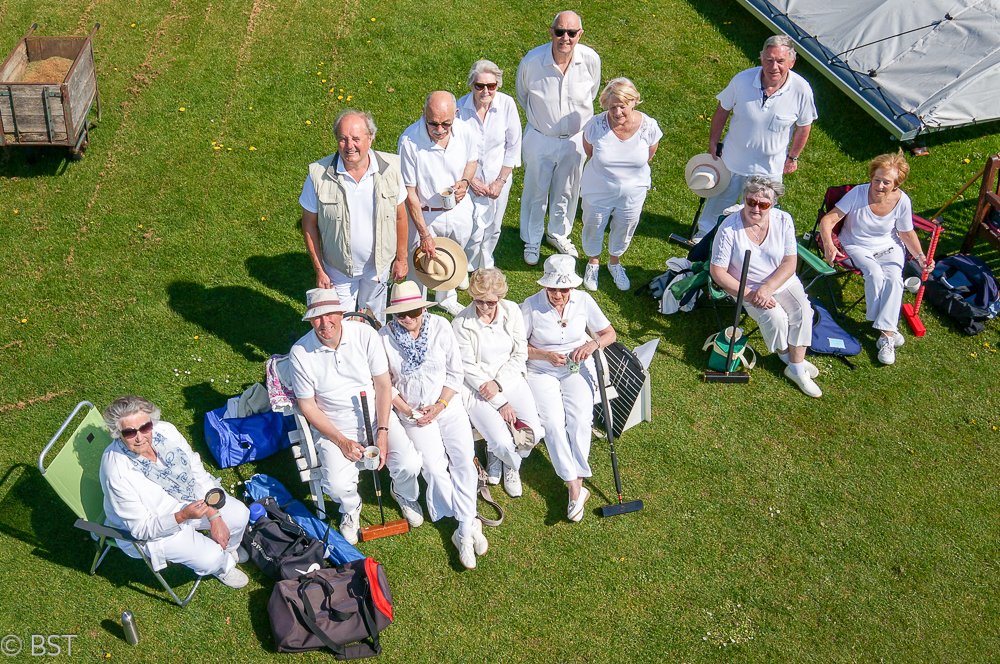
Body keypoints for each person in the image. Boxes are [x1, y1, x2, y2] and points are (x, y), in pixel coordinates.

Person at [288, 288, 424, 545]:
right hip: (335, 427)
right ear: (309, 320)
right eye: (317, 317)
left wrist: (382, 432)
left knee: (409, 463)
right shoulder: (300, 352)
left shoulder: (365, 334)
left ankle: (403, 493)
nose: (324, 323)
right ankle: (351, 508)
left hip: (375, 416)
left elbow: (383, 385)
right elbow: (308, 406)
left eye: (330, 315)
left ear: (341, 313)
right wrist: (341, 441)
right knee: (337, 485)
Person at [379, 281, 487, 569]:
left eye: (414, 312)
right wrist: (410, 411)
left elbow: (455, 372)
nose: (409, 319)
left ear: (423, 309)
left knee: (463, 460)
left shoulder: (441, 327)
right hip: (413, 414)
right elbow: (385, 383)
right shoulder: (383, 338)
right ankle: (469, 521)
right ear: (394, 315)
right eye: (401, 314)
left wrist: (439, 405)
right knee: (435, 469)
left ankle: (463, 531)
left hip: (447, 408)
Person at [100, 396, 251, 588]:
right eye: (129, 432)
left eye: (145, 428)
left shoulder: (165, 431)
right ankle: (223, 566)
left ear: (151, 422)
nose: (140, 437)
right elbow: (141, 529)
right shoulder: (116, 472)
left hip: (191, 501)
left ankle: (228, 547)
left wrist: (214, 515)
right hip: (159, 527)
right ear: (117, 433)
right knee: (210, 558)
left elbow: (195, 470)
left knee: (239, 514)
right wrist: (182, 516)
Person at [522, 255, 616, 521]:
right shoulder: (530, 306)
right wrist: (545, 355)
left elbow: (610, 334)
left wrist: (591, 345)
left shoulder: (584, 301)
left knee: (580, 421)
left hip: (576, 368)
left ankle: (576, 484)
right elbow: (518, 348)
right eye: (553, 288)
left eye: (564, 289)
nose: (558, 294)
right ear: (545, 286)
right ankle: (575, 486)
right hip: (541, 370)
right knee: (552, 423)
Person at [709, 177, 822, 397]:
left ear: (774, 204)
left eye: (764, 204)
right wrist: (751, 294)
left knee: (802, 311)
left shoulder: (783, 220)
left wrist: (768, 288)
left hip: (781, 281)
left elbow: (790, 262)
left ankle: (796, 366)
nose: (756, 208)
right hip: (745, 287)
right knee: (776, 317)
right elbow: (718, 272)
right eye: (751, 202)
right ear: (744, 199)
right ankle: (789, 359)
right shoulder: (729, 228)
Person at [696, 35, 817, 239]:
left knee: (757, 213)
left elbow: (804, 126)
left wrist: (793, 157)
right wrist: (712, 142)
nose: (774, 66)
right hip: (732, 161)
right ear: (761, 58)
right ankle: (702, 238)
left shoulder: (801, 90)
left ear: (791, 62)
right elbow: (722, 110)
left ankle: (746, 242)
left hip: (769, 169)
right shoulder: (742, 80)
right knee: (716, 205)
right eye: (769, 60)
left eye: (780, 61)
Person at [818, 151, 933, 364]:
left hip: (890, 246)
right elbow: (828, 220)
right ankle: (887, 332)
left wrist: (920, 257)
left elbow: (907, 233)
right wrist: (828, 244)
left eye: (886, 182)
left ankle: (885, 333)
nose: (879, 186)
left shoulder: (902, 201)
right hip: (856, 244)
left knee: (894, 280)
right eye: (876, 179)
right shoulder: (858, 193)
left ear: (896, 184)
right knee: (874, 273)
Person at [300, 110, 409, 323]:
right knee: (338, 323)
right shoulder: (318, 175)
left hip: (378, 267)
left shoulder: (391, 169)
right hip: (337, 270)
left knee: (374, 321)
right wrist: (320, 270)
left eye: (356, 139)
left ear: (371, 138)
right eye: (343, 139)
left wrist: (402, 259)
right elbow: (309, 225)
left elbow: (400, 217)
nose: (349, 145)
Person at [516, 10, 601, 265]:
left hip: (575, 140)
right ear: (551, 32)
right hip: (540, 137)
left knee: (568, 189)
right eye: (560, 31)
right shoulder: (532, 62)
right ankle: (531, 238)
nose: (565, 37)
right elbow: (523, 95)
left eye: (572, 33)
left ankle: (557, 233)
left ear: (580, 34)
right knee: (536, 189)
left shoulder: (590, 60)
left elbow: (593, 92)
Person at [452, 268, 542, 498]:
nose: (484, 307)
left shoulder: (512, 311)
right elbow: (468, 367)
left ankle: (508, 462)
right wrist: (500, 402)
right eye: (479, 301)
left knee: (535, 433)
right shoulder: (461, 322)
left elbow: (520, 353)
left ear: (500, 298)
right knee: (502, 441)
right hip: (477, 389)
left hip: (509, 379)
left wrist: (499, 384)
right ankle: (500, 454)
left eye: (490, 302)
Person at [398, 91, 479, 315]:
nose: (440, 130)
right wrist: (424, 234)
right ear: (423, 113)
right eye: (433, 123)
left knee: (451, 260)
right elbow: (409, 192)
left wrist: (464, 181)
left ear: (456, 114)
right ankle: (416, 305)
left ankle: (446, 298)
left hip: (458, 210)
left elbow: (472, 161)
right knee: (421, 264)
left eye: (446, 123)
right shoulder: (409, 141)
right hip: (425, 214)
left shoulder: (465, 131)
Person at [580, 78, 661, 291]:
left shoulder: (649, 127)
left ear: (634, 102)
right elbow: (590, 152)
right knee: (593, 224)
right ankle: (593, 261)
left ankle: (614, 262)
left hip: (633, 192)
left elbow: (648, 155)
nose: (617, 112)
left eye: (622, 106)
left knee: (626, 225)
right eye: (612, 107)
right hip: (598, 189)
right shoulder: (596, 125)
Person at [457, 60, 522, 273]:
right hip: (469, 178)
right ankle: (466, 263)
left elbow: (513, 145)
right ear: (472, 85)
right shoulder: (459, 109)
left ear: (497, 85)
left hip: (498, 178)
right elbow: (455, 149)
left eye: (491, 86)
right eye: (480, 86)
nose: (486, 91)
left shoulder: (507, 105)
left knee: (494, 225)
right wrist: (471, 181)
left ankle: (485, 261)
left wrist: (500, 181)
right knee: (471, 225)